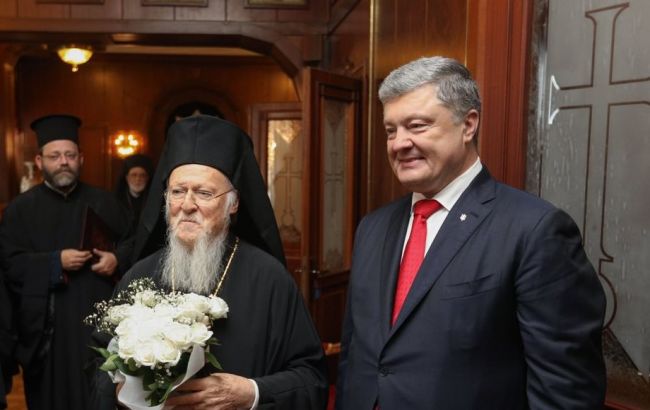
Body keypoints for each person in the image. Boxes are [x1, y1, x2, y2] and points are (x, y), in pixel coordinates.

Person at [335, 57, 606, 409]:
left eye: (416, 126)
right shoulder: (372, 228)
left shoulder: (534, 231)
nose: (399, 143)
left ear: (468, 125)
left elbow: (566, 391)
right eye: (391, 130)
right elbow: (355, 354)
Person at [91, 115, 328, 409]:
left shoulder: (270, 279)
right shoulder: (140, 275)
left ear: (234, 203)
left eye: (204, 193)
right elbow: (99, 364)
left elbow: (312, 378)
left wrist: (251, 392)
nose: (187, 205)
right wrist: (122, 391)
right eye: (177, 191)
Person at [0, 114, 131, 410]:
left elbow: (135, 244)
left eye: (70, 155)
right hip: (48, 335)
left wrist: (116, 258)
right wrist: (54, 262)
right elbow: (9, 265)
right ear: (39, 160)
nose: (63, 162)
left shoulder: (106, 202)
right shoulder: (20, 210)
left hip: (99, 327)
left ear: (81, 158)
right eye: (55, 156)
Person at [114, 153, 154, 235]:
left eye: (142, 175)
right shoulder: (116, 200)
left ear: (147, 178)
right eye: (133, 175)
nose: (138, 179)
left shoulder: (153, 201)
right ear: (127, 178)